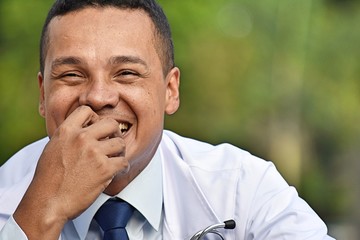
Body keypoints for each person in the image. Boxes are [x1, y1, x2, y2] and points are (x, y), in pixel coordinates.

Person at [0, 0, 334, 239]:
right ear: (43, 94)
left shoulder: (243, 188)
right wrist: (41, 215)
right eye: (72, 74)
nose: (99, 97)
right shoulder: (5, 195)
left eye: (127, 73)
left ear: (170, 90)